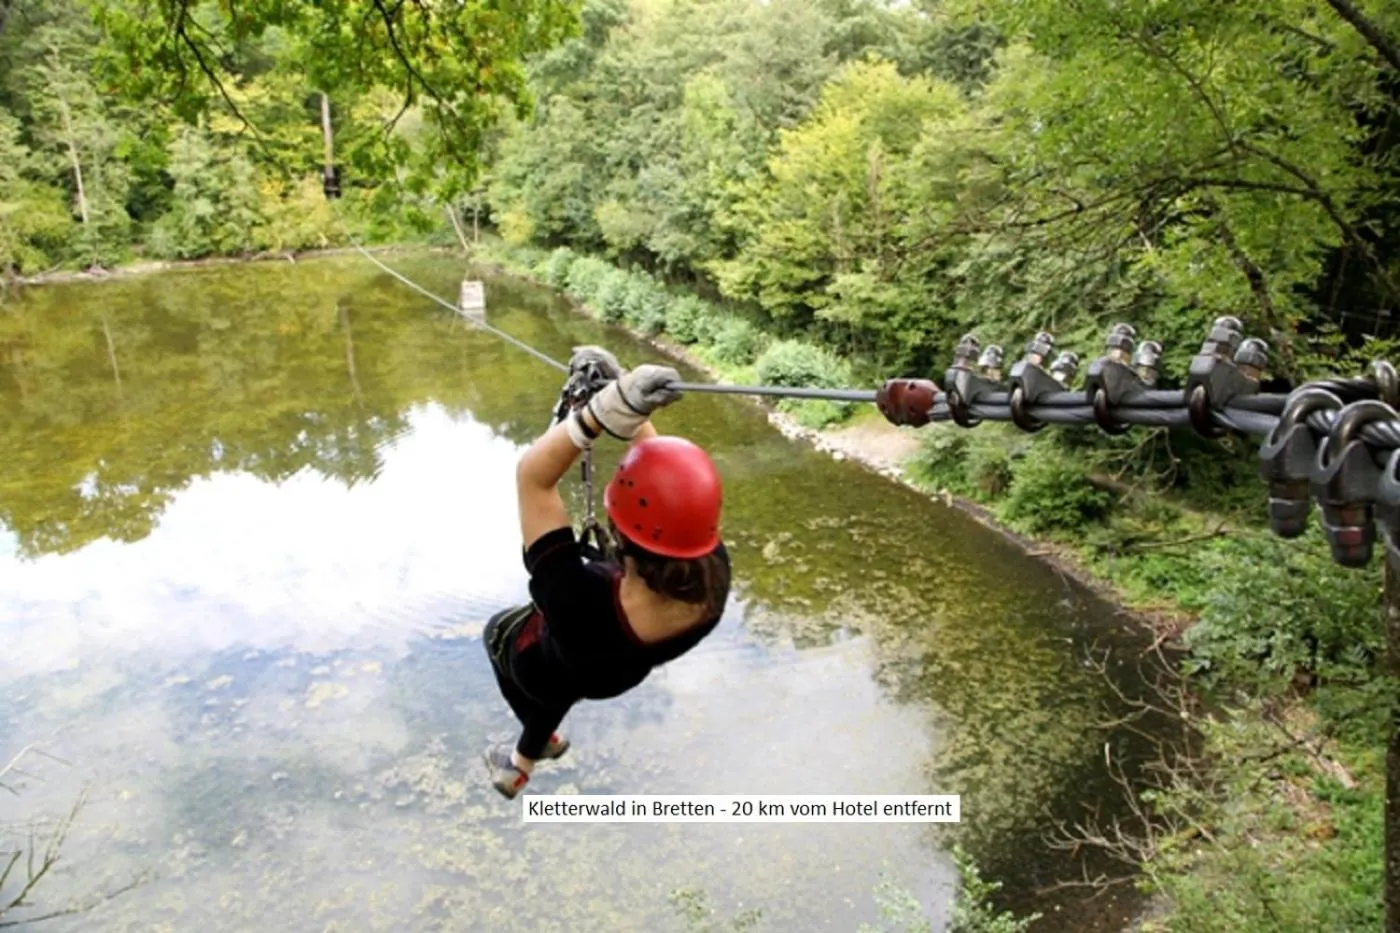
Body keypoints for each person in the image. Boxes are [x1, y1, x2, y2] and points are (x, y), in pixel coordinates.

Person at [482, 347, 731, 799]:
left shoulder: (578, 598)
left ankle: (535, 747)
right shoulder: (713, 579)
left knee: (501, 636)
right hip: (614, 677)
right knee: (562, 683)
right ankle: (524, 760)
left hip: (551, 664)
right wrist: (630, 407)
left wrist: (599, 413)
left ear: (618, 531)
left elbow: (532, 478)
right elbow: (668, 483)